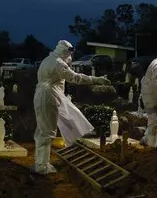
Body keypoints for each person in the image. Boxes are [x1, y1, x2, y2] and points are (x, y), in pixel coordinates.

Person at [33, 40, 111, 175]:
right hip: (49, 96)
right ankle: (42, 166)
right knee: (47, 132)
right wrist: (96, 79)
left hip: (42, 94)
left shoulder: (48, 59)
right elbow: (75, 78)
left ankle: (41, 162)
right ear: (65, 52)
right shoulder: (58, 63)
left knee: (43, 129)